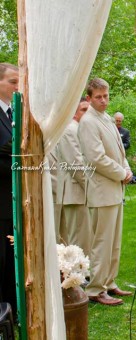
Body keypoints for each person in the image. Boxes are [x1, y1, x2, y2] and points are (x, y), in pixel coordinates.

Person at [78, 78, 133, 306]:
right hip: (102, 189)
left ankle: (109, 282)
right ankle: (95, 289)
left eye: (106, 96)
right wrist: (122, 173)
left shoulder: (107, 118)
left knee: (114, 241)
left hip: (114, 188)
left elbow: (119, 152)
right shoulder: (88, 121)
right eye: (98, 97)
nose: (103, 100)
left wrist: (127, 169)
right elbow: (96, 158)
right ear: (89, 98)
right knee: (102, 241)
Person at [56, 98, 92, 256]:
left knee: (83, 238)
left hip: (81, 192)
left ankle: (80, 274)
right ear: (73, 112)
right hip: (75, 192)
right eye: (83, 110)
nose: (87, 113)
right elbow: (75, 165)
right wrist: (93, 188)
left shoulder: (81, 129)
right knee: (78, 240)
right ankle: (78, 276)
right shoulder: (69, 130)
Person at [0, 62, 18, 318]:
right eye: (13, 82)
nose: (18, 86)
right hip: (0, 200)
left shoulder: (13, 114)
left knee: (11, 263)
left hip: (13, 200)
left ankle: (12, 312)